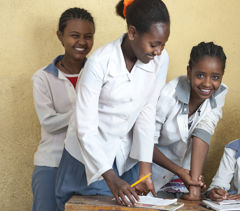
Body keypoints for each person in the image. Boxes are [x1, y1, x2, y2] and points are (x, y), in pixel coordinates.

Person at [55, 0, 170, 209]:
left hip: (125, 160)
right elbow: (86, 128)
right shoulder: (99, 62)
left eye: (163, 44)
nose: (159, 51)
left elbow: (146, 112)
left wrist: (145, 169)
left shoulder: (160, 60)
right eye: (154, 44)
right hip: (86, 160)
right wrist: (110, 177)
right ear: (133, 33)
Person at [31, 7, 95, 211]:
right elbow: (49, 123)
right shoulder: (43, 78)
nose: (82, 42)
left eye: (88, 36)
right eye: (74, 36)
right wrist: (84, 112)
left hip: (88, 167)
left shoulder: (97, 74)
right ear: (60, 36)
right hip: (52, 164)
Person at [152, 42, 228, 200]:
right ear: (189, 72)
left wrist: (194, 188)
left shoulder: (218, 94)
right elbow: (145, 142)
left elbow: (203, 134)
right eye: (200, 75)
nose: (207, 83)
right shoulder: (168, 95)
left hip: (183, 174)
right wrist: (180, 171)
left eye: (215, 77)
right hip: (152, 168)